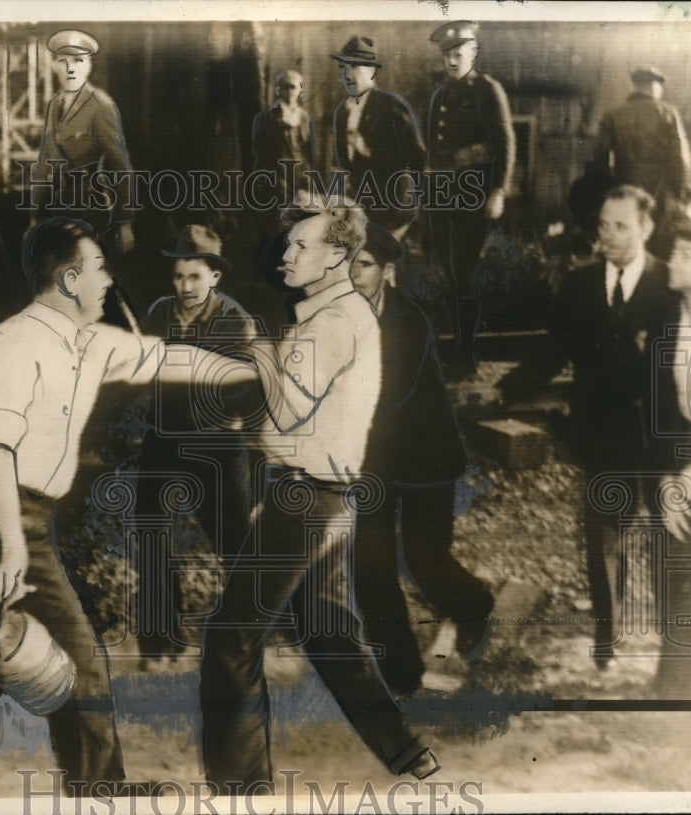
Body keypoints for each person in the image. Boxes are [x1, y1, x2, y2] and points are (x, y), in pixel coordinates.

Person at [0, 218, 257, 799]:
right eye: (99, 269)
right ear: (70, 279)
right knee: (77, 655)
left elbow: (171, 359)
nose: (108, 280)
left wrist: (264, 366)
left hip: (7, 511)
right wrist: (12, 544)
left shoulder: (91, 341)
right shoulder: (15, 345)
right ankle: (98, 792)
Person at [199, 201, 440, 795]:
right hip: (328, 501)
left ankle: (239, 789)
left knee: (232, 636)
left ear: (336, 256)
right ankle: (407, 751)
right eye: (288, 244)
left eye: (300, 246)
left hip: (303, 501)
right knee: (329, 631)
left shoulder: (330, 323)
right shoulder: (336, 314)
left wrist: (255, 349)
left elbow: (286, 410)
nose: (286, 254)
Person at [497, 186, 680, 668]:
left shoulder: (671, 284)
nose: (608, 235)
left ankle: (676, 649)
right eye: (603, 224)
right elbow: (552, 350)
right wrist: (505, 389)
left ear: (646, 228)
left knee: (670, 539)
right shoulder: (579, 286)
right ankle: (606, 642)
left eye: (621, 225)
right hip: (603, 434)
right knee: (603, 541)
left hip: (660, 437)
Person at [348, 224, 491, 698]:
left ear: (387, 272)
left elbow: (384, 396)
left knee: (424, 560)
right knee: (369, 564)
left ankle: (474, 605)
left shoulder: (409, 322)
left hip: (425, 457)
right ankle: (401, 675)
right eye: (346, 264)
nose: (352, 274)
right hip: (372, 459)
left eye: (364, 265)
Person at [134, 225, 259, 666]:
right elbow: (140, 369)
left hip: (217, 444)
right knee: (150, 534)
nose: (184, 286)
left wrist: (182, 367)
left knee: (235, 543)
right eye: (178, 276)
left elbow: (238, 386)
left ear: (215, 276)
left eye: (194, 276)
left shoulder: (235, 320)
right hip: (164, 439)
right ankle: (160, 645)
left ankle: (253, 637)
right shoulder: (158, 314)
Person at [426, 20, 516, 379]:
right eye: (446, 55)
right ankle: (458, 350)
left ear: (473, 53)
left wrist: (498, 190)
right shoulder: (439, 93)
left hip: (473, 196)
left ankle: (466, 354)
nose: (452, 61)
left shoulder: (487, 90)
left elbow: (504, 142)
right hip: (440, 197)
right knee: (448, 273)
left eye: (459, 54)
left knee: (462, 272)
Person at [650, 218, 691, 698]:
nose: (672, 261)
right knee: (674, 564)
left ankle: (680, 686)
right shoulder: (670, 317)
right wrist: (667, 477)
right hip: (683, 453)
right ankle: (673, 683)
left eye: (686, 255)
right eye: (674, 252)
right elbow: (659, 408)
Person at [34, 30, 135, 253]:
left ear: (88, 66)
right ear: (54, 66)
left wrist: (124, 222)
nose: (70, 69)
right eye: (63, 61)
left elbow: (121, 166)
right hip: (57, 208)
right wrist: (35, 215)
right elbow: (44, 163)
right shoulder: (53, 106)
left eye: (78, 61)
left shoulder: (101, 106)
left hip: (91, 208)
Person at [330, 36, 426, 236]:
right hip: (358, 207)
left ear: (372, 71)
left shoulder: (390, 106)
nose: (347, 74)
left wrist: (368, 151)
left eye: (354, 67)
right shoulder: (341, 112)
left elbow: (417, 158)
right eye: (342, 68)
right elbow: (343, 163)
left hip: (391, 208)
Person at [596, 67, 691, 250]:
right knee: (658, 244)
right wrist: (679, 195)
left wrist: (610, 192)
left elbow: (600, 160)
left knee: (628, 241)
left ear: (635, 86)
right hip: (660, 194)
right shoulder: (668, 112)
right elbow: (681, 158)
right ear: (654, 86)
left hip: (625, 190)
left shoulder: (613, 115)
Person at [251, 70, 317, 203]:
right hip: (278, 177)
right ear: (279, 90)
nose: (289, 92)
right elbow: (261, 152)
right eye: (285, 87)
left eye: (293, 87)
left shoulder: (305, 118)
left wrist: (309, 176)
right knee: (282, 209)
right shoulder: (268, 117)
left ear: (300, 90)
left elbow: (309, 151)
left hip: (301, 176)